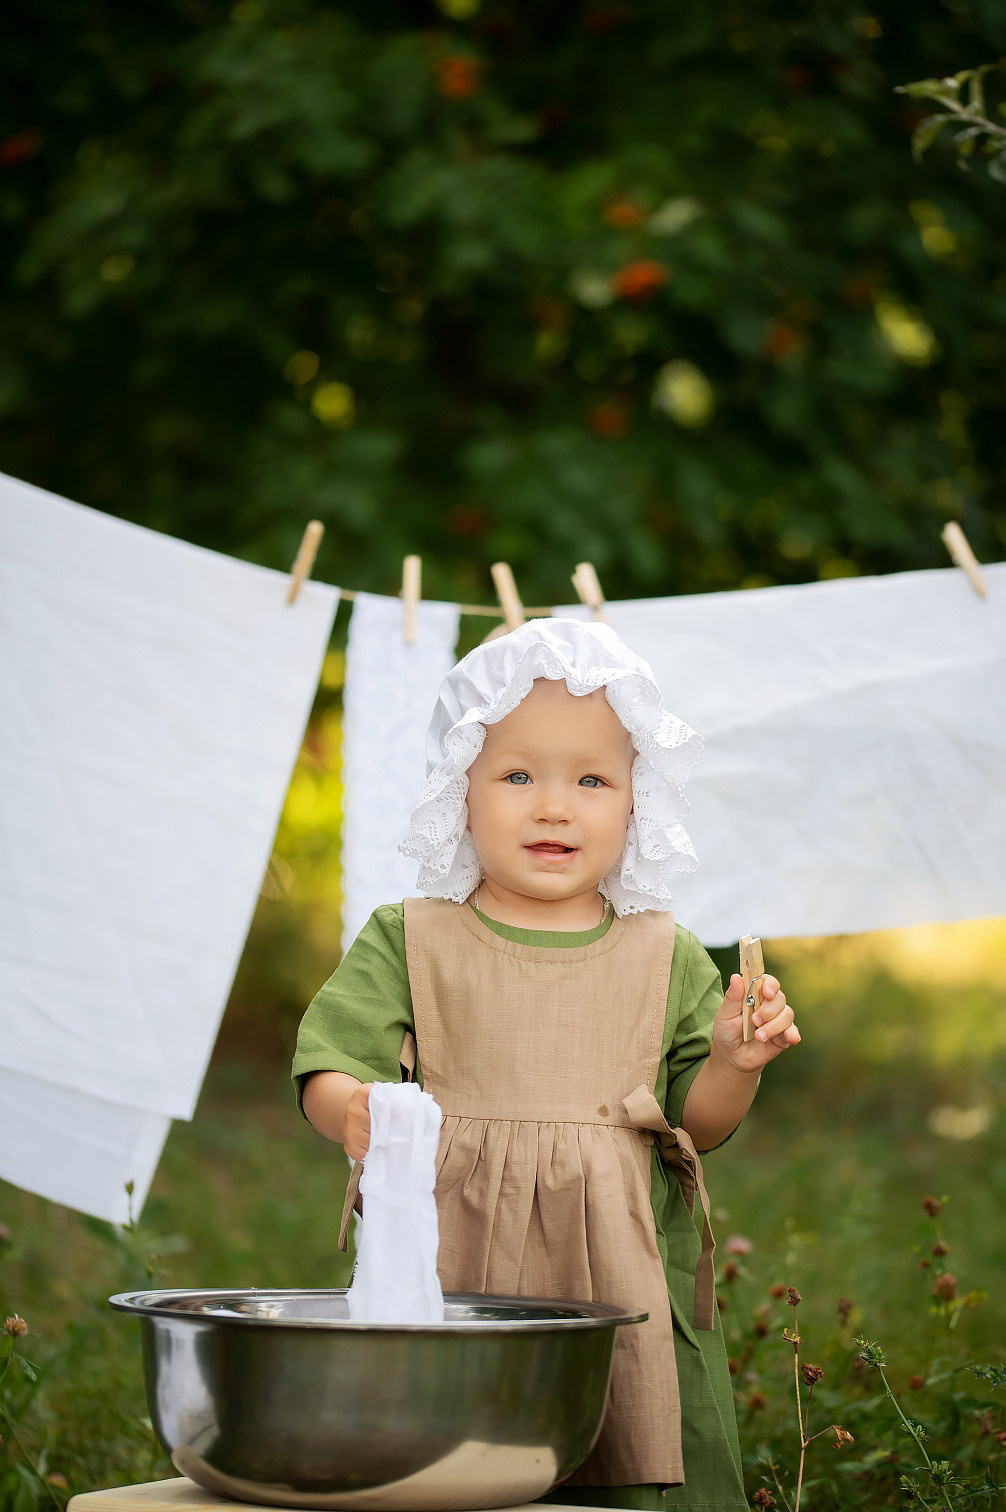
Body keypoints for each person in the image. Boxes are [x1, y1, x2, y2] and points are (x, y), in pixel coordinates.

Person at [293, 617, 800, 1512]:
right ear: (462, 791)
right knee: (441, 1462)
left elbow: (699, 1126)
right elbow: (329, 1061)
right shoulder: (411, 937)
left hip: (616, 1273)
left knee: (622, 1458)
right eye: (518, 775)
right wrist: (352, 1111)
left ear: (639, 800)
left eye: (592, 780)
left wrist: (735, 1062)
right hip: (455, 1266)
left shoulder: (664, 953)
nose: (554, 806)